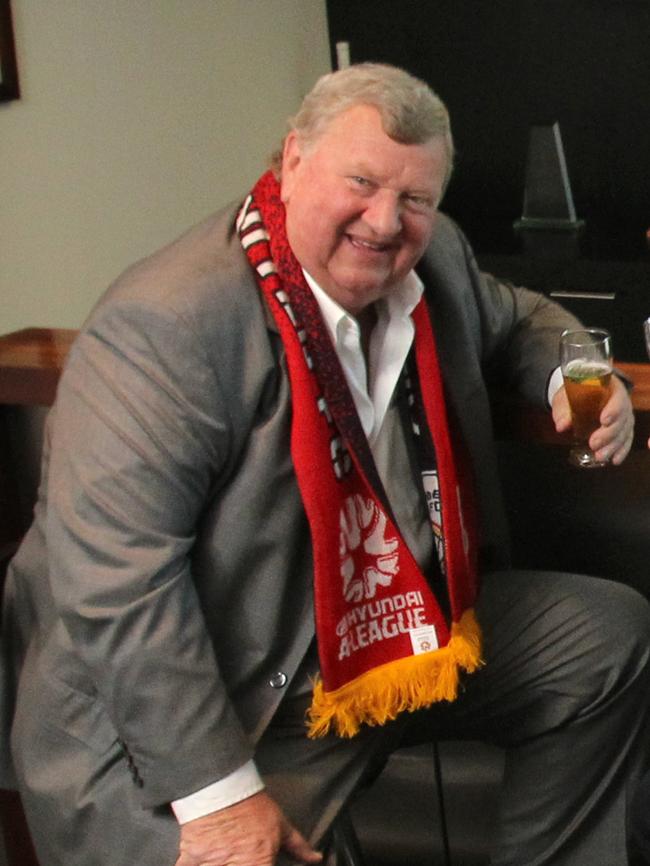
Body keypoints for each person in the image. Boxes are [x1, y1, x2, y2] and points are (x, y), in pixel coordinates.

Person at [1, 62, 649, 866]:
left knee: (607, 641)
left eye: (415, 199)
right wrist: (222, 801)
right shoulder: (167, 325)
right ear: (293, 158)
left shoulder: (431, 258)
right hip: (201, 703)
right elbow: (116, 584)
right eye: (362, 182)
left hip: (395, 635)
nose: (384, 222)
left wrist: (581, 379)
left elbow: (519, 316)